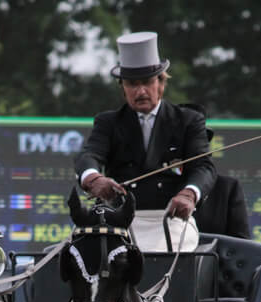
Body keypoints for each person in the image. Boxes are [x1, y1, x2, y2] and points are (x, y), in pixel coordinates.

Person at [74, 31, 216, 251]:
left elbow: (204, 167)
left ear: (161, 83)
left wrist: (188, 194)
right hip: (118, 219)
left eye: (147, 82)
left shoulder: (188, 120)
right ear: (123, 87)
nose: (140, 91)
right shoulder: (108, 122)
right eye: (132, 84)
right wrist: (94, 179)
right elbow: (89, 155)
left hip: (170, 219)